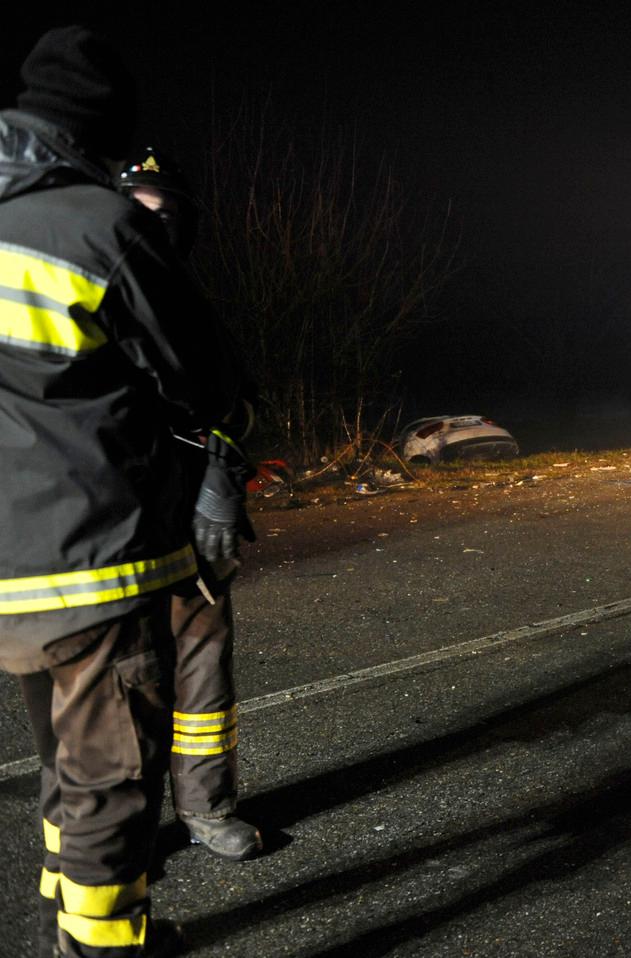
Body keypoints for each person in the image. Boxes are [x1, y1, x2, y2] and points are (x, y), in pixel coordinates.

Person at [0, 27, 246, 957]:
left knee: (59, 754)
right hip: (90, 562)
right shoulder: (97, 228)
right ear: (99, 131)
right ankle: (102, 946)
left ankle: (64, 891)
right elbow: (207, 378)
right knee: (110, 772)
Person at [117, 149, 263, 861]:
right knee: (128, 686)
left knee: (204, 672)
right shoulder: (89, 294)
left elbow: (240, 403)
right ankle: (124, 834)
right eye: (138, 211)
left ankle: (207, 810)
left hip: (196, 531)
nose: (154, 226)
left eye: (166, 213)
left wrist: (224, 476)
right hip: (118, 530)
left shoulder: (192, 305)